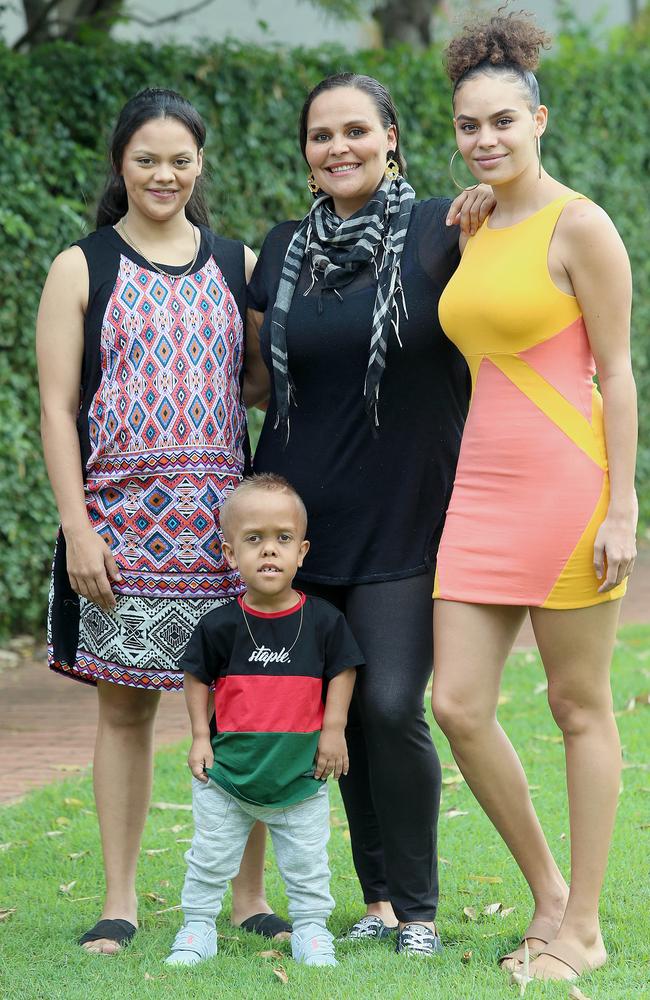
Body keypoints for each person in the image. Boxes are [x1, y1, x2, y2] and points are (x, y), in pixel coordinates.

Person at [244, 73, 495, 956]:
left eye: (357, 130)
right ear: (306, 155)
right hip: (303, 528)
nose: (338, 147)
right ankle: (379, 901)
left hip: (413, 516)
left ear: (392, 137)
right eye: (321, 135)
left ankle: (419, 910)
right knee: (337, 717)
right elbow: (251, 383)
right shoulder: (277, 252)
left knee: (390, 705)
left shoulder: (446, 230)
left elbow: (518, 306)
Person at [37, 88, 288, 954]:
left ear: (200, 165)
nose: (165, 173)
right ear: (121, 165)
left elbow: (257, 381)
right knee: (125, 717)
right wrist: (77, 527)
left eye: (180, 158)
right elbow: (55, 405)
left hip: (223, 533)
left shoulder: (234, 262)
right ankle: (121, 900)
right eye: (147, 157)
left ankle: (250, 895)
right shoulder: (82, 265)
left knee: (243, 709)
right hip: (119, 532)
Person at [430, 11, 637, 984]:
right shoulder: (470, 222)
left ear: (538, 119)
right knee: (457, 703)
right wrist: (476, 201)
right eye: (469, 125)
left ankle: (583, 929)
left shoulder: (581, 224)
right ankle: (545, 894)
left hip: (565, 493)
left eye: (502, 122)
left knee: (575, 705)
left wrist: (622, 507)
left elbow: (618, 372)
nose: (485, 139)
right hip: (476, 493)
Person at [165, 473, 361, 968]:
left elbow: (343, 670)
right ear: (230, 554)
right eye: (254, 539)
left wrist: (333, 730)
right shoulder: (220, 625)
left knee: (308, 865)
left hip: (301, 775)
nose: (269, 551)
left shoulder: (323, 620)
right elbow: (195, 678)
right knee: (209, 858)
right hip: (228, 774)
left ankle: (312, 932)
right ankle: (197, 928)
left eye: (282, 539)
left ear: (302, 551)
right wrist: (198, 738)